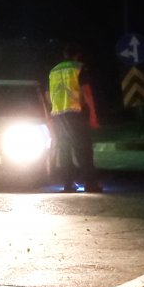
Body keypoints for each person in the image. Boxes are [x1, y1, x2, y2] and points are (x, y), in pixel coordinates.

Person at [47, 43, 101, 193]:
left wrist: (50, 116)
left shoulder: (54, 71)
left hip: (58, 115)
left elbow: (48, 95)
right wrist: (93, 115)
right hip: (76, 113)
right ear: (77, 55)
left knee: (64, 150)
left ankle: (68, 184)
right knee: (83, 149)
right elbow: (86, 92)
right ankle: (90, 184)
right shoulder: (78, 67)